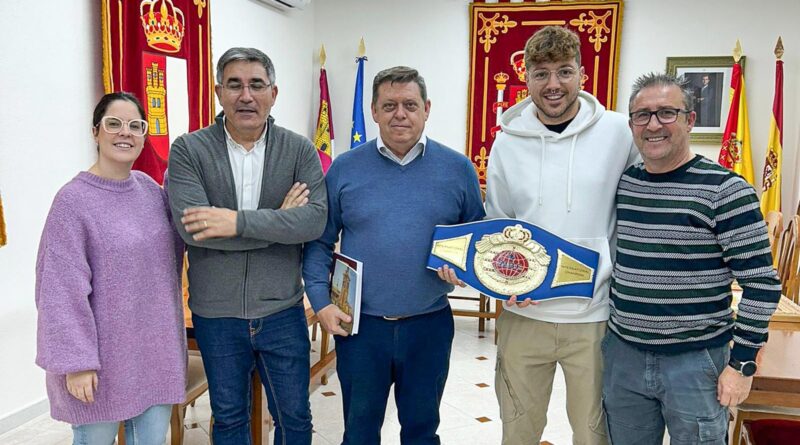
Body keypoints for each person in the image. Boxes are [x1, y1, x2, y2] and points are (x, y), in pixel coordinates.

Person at [302, 66, 485, 445]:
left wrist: (464, 269)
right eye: (389, 105)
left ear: (427, 109)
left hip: (429, 326)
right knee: (360, 432)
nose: (399, 114)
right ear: (373, 111)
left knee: (421, 431)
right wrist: (320, 303)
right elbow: (319, 243)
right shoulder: (345, 169)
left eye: (409, 104)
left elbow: (477, 243)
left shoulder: (458, 169)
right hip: (362, 328)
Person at [602, 72, 781, 444]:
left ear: (690, 120)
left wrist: (742, 365)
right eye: (642, 115)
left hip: (696, 363)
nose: (653, 125)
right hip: (624, 358)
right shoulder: (625, 185)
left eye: (667, 113)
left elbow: (762, 286)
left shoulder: (726, 191)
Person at [481, 26, 639, 445]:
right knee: (518, 430)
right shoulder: (506, 143)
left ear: (583, 76)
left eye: (565, 72)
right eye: (542, 73)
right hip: (524, 315)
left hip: (595, 316)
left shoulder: (619, 133)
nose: (553, 84)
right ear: (527, 77)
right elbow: (500, 225)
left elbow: (638, 212)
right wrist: (503, 283)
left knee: (594, 434)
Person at [166, 47, 326, 445]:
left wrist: (232, 221)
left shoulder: (300, 150)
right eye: (234, 85)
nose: (246, 95)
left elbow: (313, 221)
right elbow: (194, 230)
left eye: (257, 85)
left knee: (295, 420)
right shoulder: (189, 150)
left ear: (274, 93)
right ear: (219, 92)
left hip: (283, 312)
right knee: (230, 419)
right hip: (215, 316)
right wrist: (279, 221)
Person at [35, 92, 186, 445]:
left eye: (136, 126)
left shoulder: (150, 190)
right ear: (95, 132)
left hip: (153, 352)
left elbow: (182, 241)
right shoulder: (73, 202)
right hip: (99, 361)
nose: (125, 133)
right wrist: (76, 362)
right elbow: (59, 289)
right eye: (114, 124)